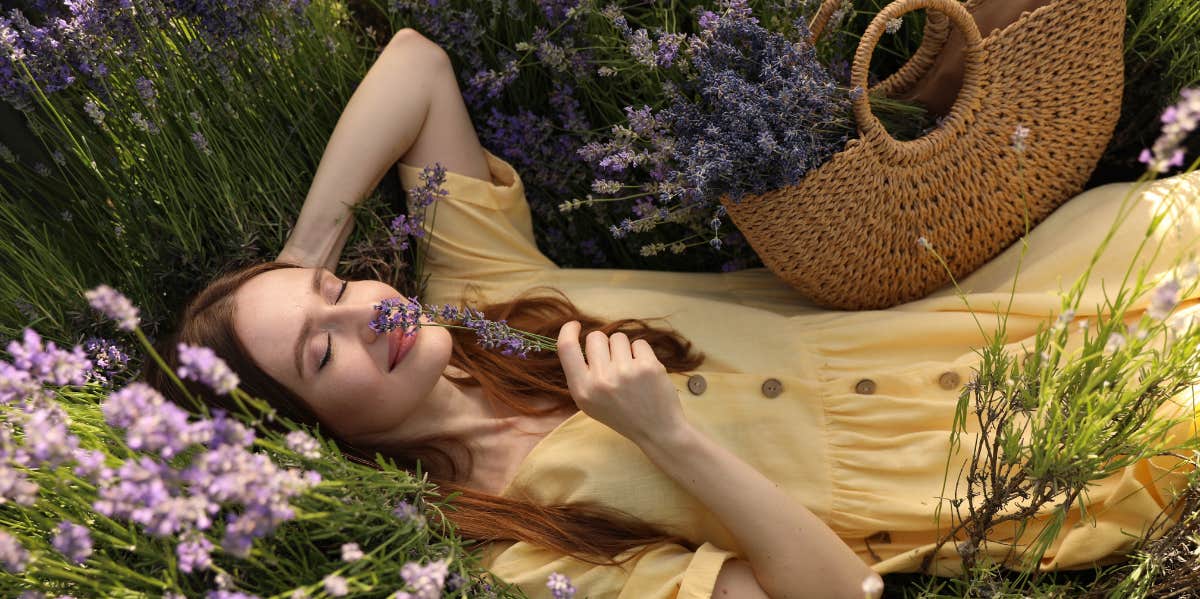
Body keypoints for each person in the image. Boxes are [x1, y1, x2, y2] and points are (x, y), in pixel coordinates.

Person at [143, 27, 1200, 599]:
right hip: (1010, 457)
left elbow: (416, 68)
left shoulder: (471, 294)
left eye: (343, 296)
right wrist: (668, 437)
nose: (366, 319)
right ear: (323, 441)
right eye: (323, 355)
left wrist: (299, 260)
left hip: (997, 307)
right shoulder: (513, 548)